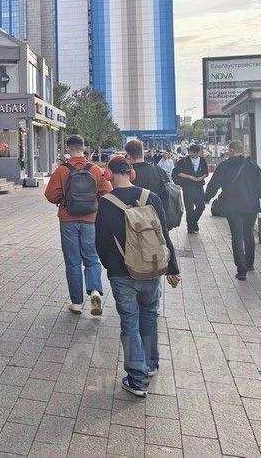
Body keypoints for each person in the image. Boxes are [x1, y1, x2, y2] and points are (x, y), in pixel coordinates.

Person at [95, 156, 180, 397]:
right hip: (151, 270)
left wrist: (111, 266)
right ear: (131, 173)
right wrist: (172, 268)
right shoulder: (150, 197)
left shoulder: (106, 203)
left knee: (129, 322)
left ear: (109, 174)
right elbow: (164, 235)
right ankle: (150, 364)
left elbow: (100, 242)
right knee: (149, 315)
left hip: (122, 272)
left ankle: (137, 379)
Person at [45, 135, 112, 316]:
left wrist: (63, 200)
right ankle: (95, 291)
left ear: (68, 149)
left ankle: (76, 303)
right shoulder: (96, 169)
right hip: (90, 220)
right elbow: (107, 192)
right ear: (84, 148)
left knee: (73, 261)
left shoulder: (62, 170)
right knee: (92, 258)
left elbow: (50, 195)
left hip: (68, 220)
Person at [204, 141, 261, 280]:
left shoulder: (224, 166)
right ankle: (249, 264)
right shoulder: (252, 166)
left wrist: (207, 198)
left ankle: (241, 271)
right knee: (248, 234)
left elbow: (214, 184)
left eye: (229, 149)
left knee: (237, 237)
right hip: (251, 206)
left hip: (232, 206)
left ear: (232, 150)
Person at [173, 144, 208, 234]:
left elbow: (206, 172)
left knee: (201, 206)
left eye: (195, 153)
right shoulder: (183, 161)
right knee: (189, 208)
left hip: (199, 186)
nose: (193, 154)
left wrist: (201, 177)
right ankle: (190, 227)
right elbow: (178, 173)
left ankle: (193, 222)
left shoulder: (202, 160)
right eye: (192, 152)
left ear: (198, 152)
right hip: (187, 187)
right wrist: (190, 177)